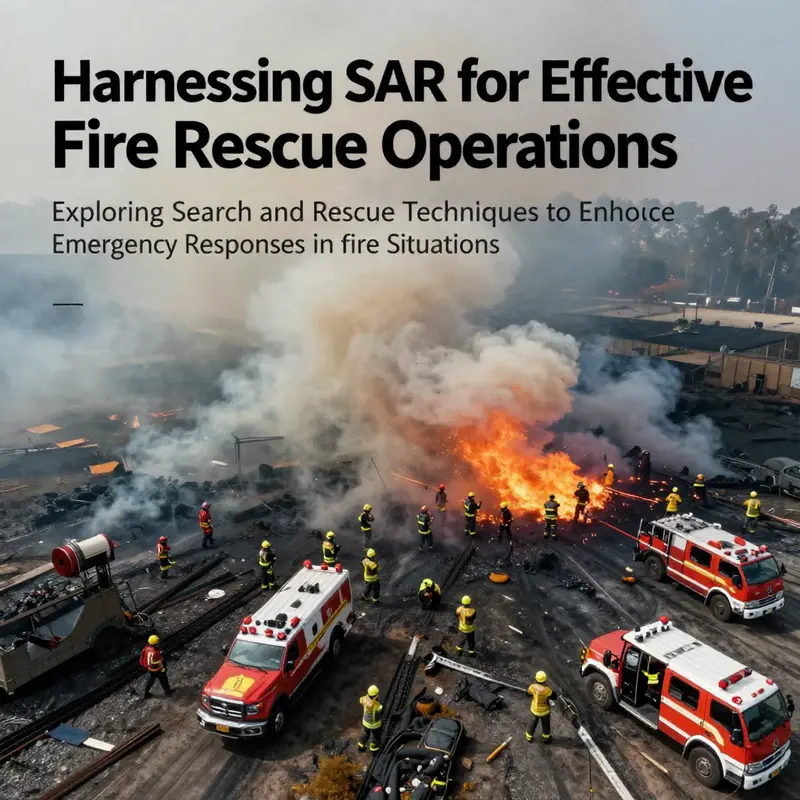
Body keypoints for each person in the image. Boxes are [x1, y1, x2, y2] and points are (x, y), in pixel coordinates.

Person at [526, 671, 557, 743]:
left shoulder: (532, 687)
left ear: (535, 680)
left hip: (534, 710)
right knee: (546, 725)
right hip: (544, 712)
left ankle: (528, 737)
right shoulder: (547, 690)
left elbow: (527, 694)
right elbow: (554, 696)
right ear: (545, 681)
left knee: (532, 724)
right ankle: (546, 739)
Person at [358, 685, 383, 752]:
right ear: (375, 695)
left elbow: (360, 700)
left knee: (366, 734)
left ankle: (361, 745)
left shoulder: (364, 699)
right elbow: (381, 710)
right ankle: (373, 748)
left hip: (365, 723)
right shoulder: (377, 705)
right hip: (374, 725)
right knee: (376, 736)